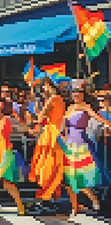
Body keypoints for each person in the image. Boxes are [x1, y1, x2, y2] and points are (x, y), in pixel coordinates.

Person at [61, 86, 111, 217]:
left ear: (83, 95)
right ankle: (75, 207)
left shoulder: (85, 106)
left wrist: (107, 123)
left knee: (79, 177)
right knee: (69, 179)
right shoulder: (69, 108)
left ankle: (93, 199)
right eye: (74, 92)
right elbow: (64, 127)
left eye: (79, 92)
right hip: (69, 144)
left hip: (80, 144)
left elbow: (96, 116)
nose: (76, 94)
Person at [29, 78, 65, 209]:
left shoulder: (53, 99)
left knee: (47, 164)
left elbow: (40, 117)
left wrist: (37, 106)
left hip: (50, 133)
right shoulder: (60, 99)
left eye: (43, 87)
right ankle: (50, 194)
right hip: (55, 132)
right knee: (53, 165)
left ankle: (46, 195)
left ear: (47, 86)